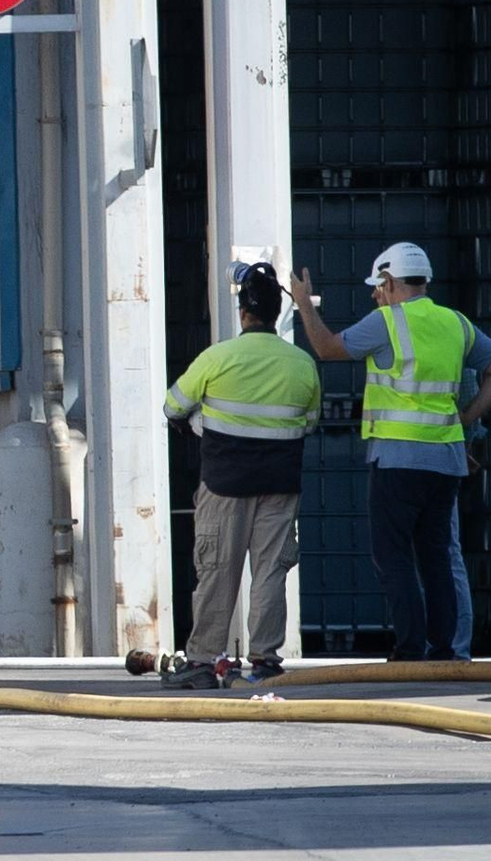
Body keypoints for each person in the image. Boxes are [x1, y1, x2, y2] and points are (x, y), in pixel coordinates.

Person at [291, 242, 491, 661]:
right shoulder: (456, 323)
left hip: (398, 460)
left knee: (392, 555)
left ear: (391, 281)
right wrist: (464, 418)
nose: (377, 293)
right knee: (435, 556)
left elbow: (326, 348)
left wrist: (304, 304)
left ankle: (411, 647)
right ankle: (444, 648)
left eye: (379, 285)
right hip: (446, 460)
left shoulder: (387, 322)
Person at [161, 262, 322, 688]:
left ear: (243, 312)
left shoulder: (218, 358)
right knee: (270, 572)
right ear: (275, 313)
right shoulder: (301, 364)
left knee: (218, 569)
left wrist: (203, 420)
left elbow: (173, 406)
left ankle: (199, 661)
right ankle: (265, 660)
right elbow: (309, 421)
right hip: (280, 484)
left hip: (224, 483)